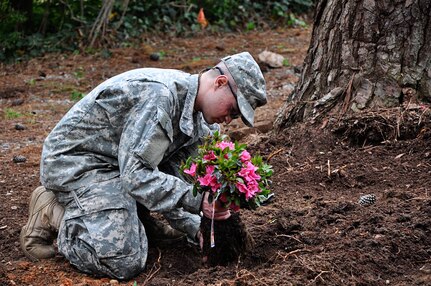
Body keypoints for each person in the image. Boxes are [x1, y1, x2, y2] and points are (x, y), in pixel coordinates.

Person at [20, 51, 267, 280]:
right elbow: (137, 176)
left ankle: (135, 219)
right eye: (233, 110)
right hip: (78, 164)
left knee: (159, 230)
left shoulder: (201, 120)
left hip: (117, 167)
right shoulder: (160, 97)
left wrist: (197, 228)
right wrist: (198, 201)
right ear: (220, 83)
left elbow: (178, 177)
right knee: (123, 260)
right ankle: (53, 209)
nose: (229, 119)